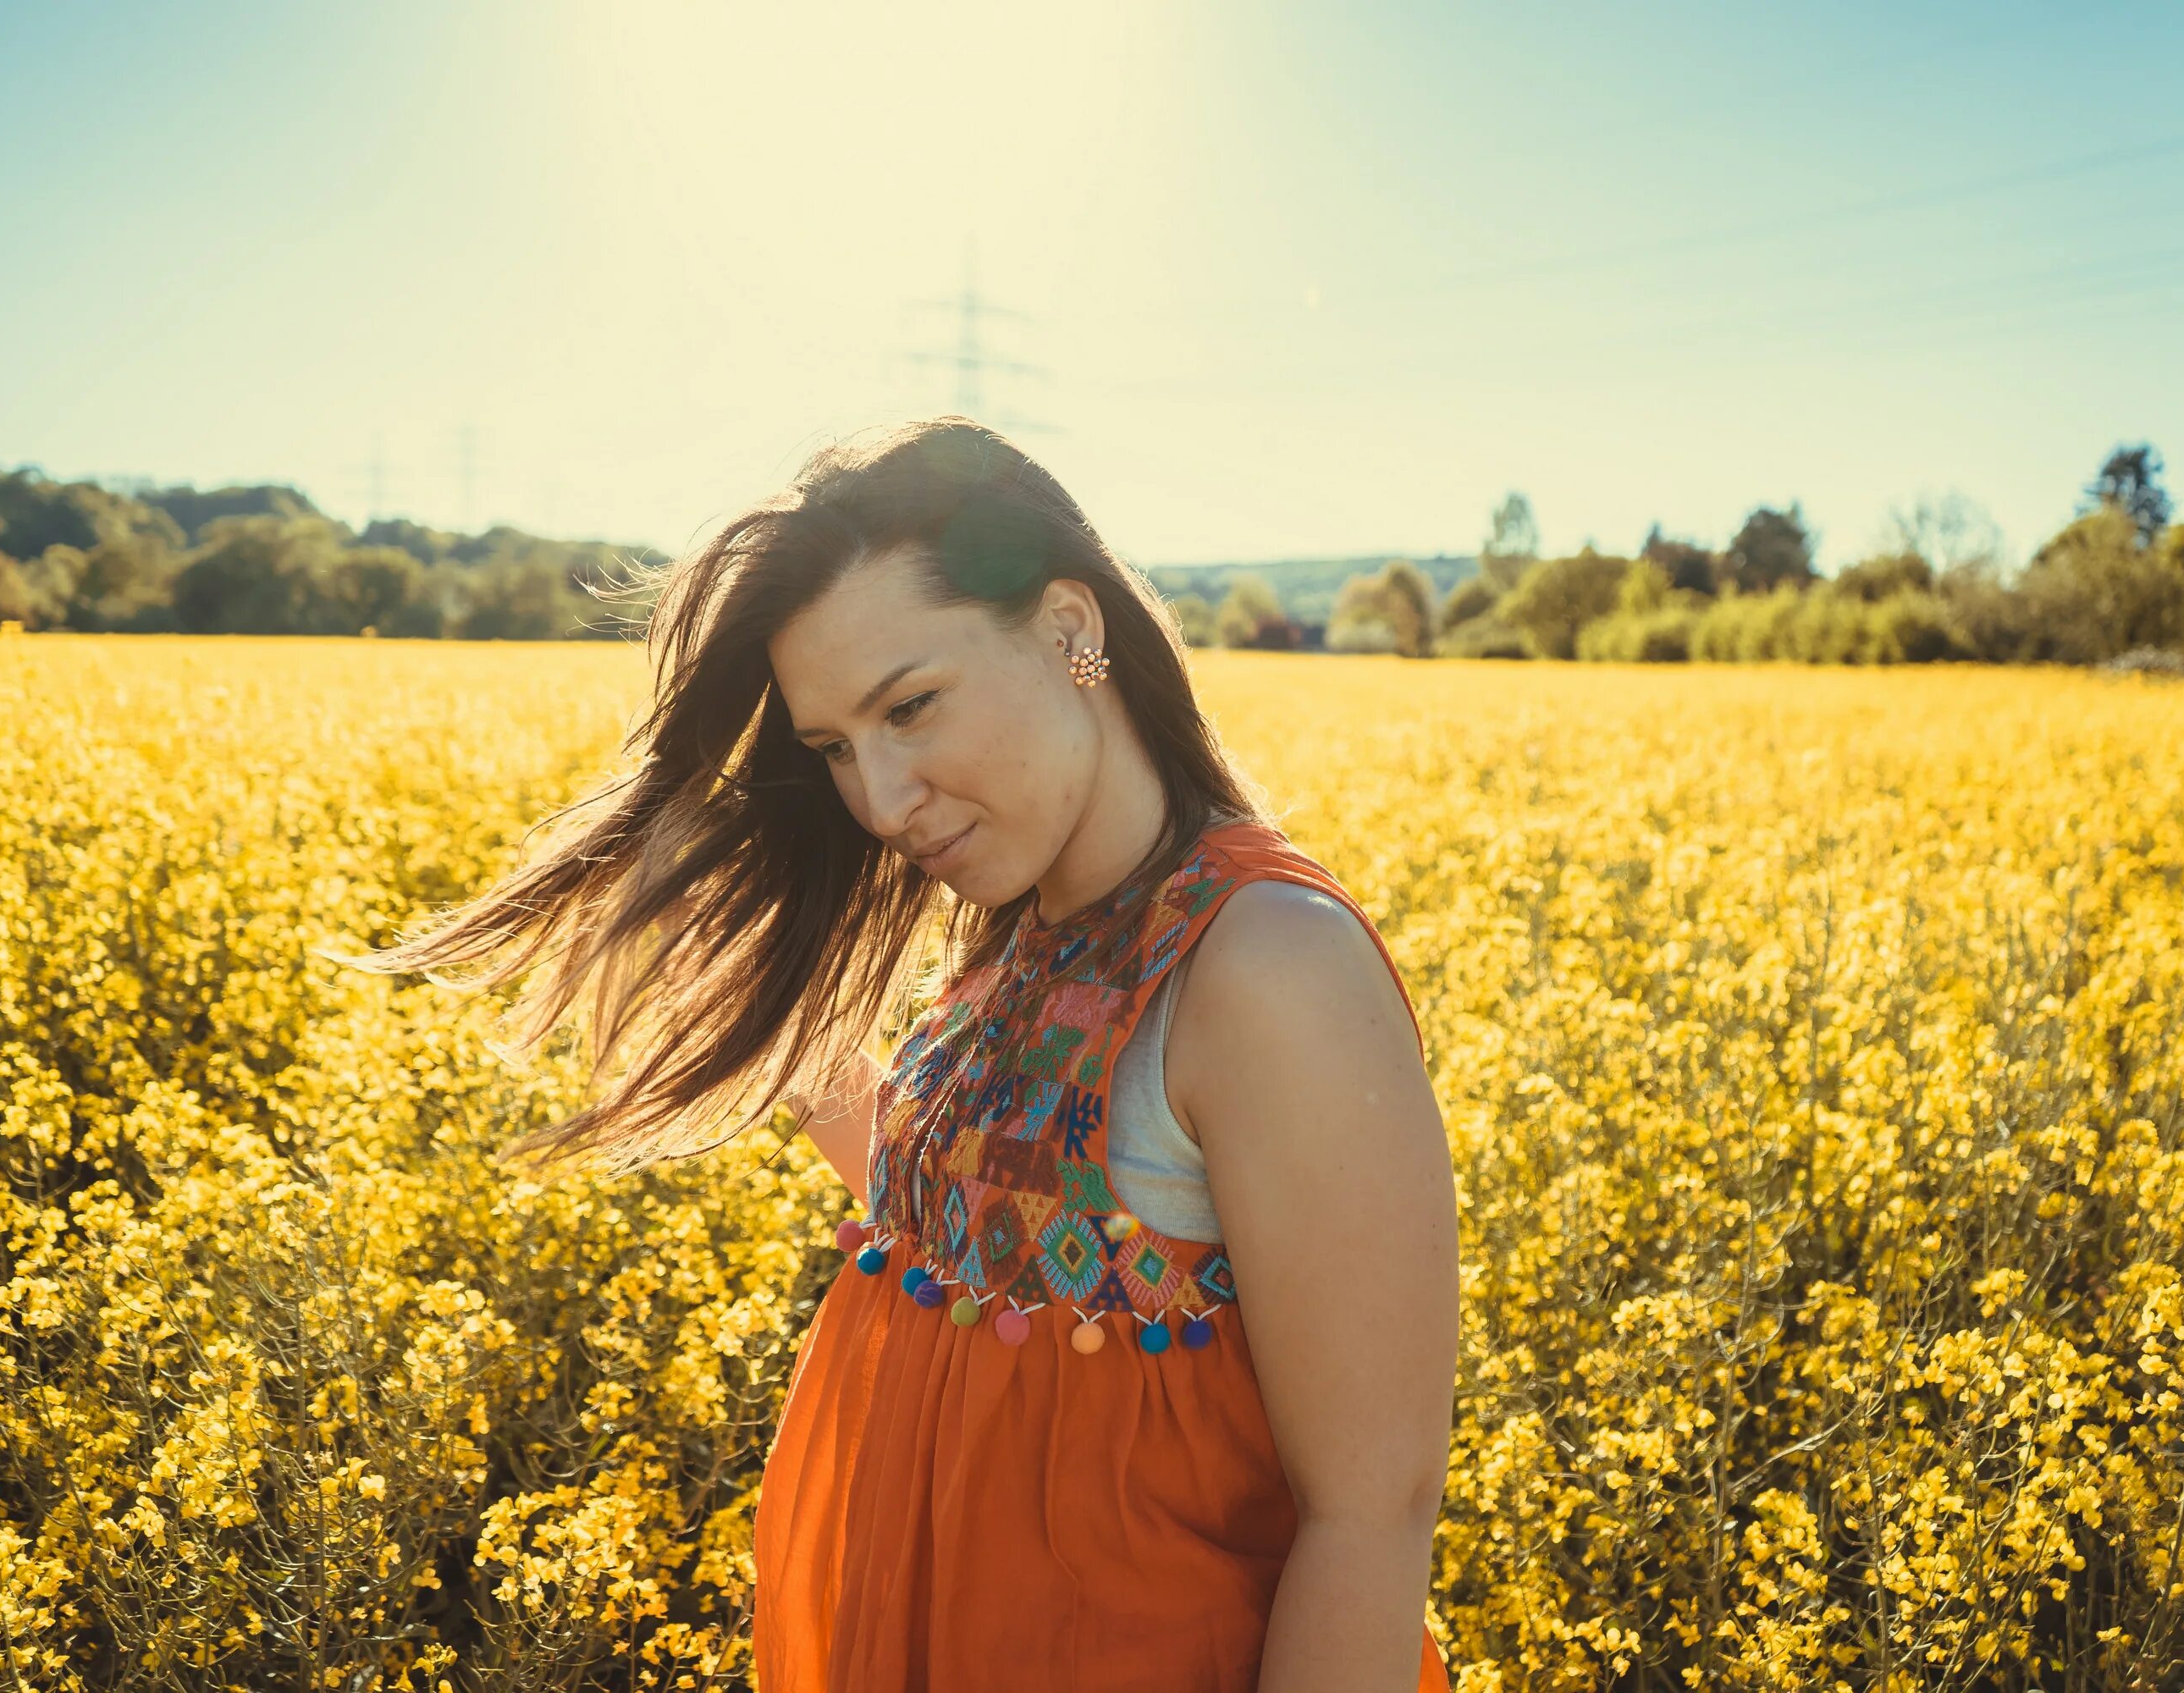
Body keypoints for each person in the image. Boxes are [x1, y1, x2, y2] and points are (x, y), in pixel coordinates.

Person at [348, 417, 1459, 1690]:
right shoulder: (1020, 925)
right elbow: (984, 1226)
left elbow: (1368, 1526)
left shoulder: (1266, 965)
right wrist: (719, 975)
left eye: (911, 708)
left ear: (1067, 631)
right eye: (834, 749)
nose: (878, 802)